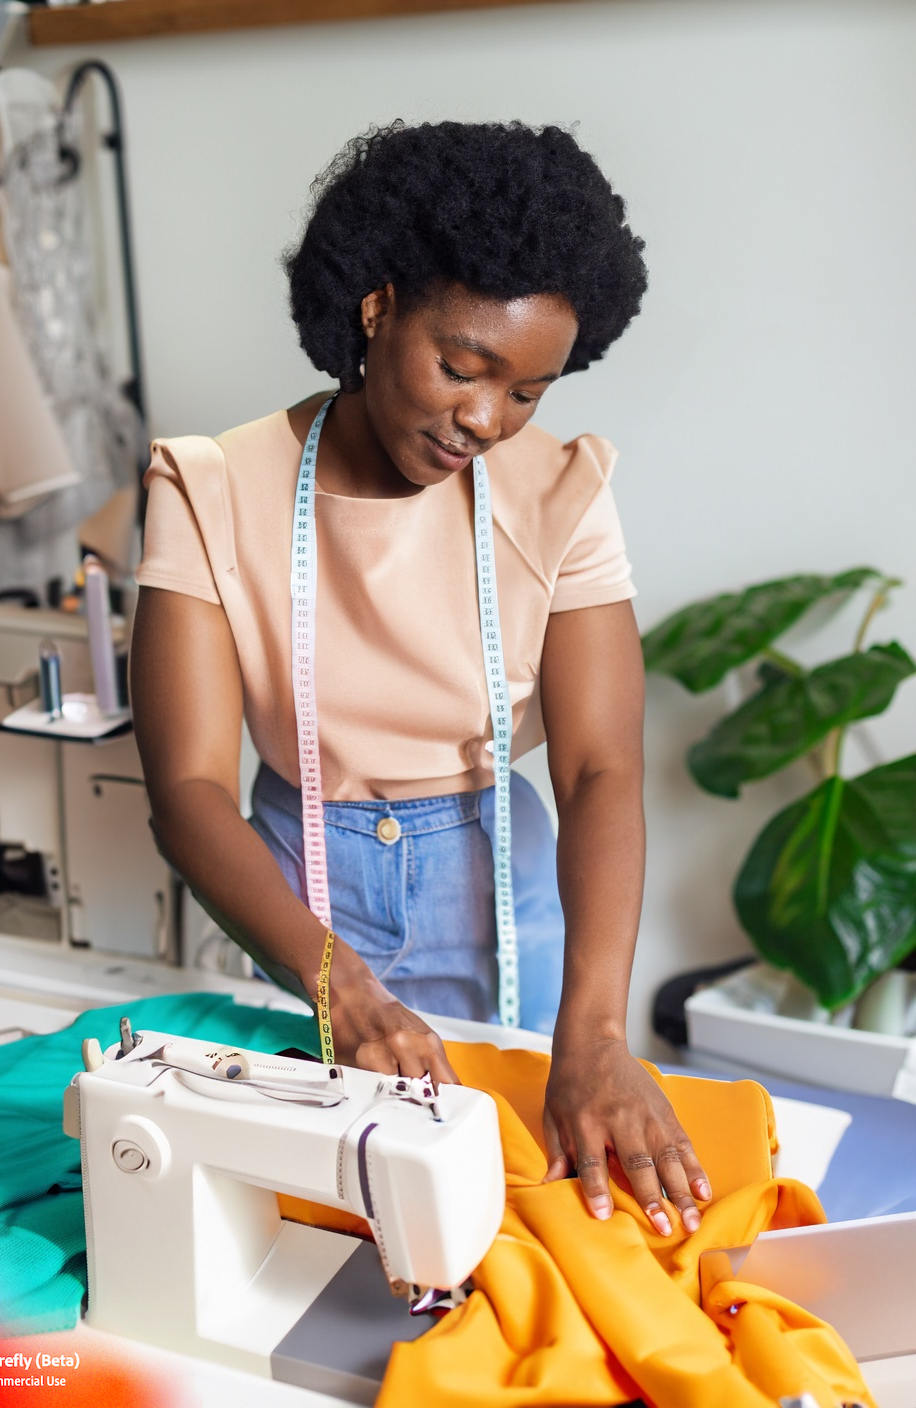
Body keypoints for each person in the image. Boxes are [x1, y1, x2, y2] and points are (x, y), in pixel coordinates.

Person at [130, 120, 711, 1237]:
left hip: (495, 874)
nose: (486, 421)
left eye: (529, 391)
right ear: (374, 305)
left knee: (518, 1218)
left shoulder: (561, 495)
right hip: (290, 887)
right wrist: (333, 983)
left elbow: (597, 768)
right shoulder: (210, 489)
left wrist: (593, 1034)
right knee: (302, 1224)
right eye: (461, 366)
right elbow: (187, 792)